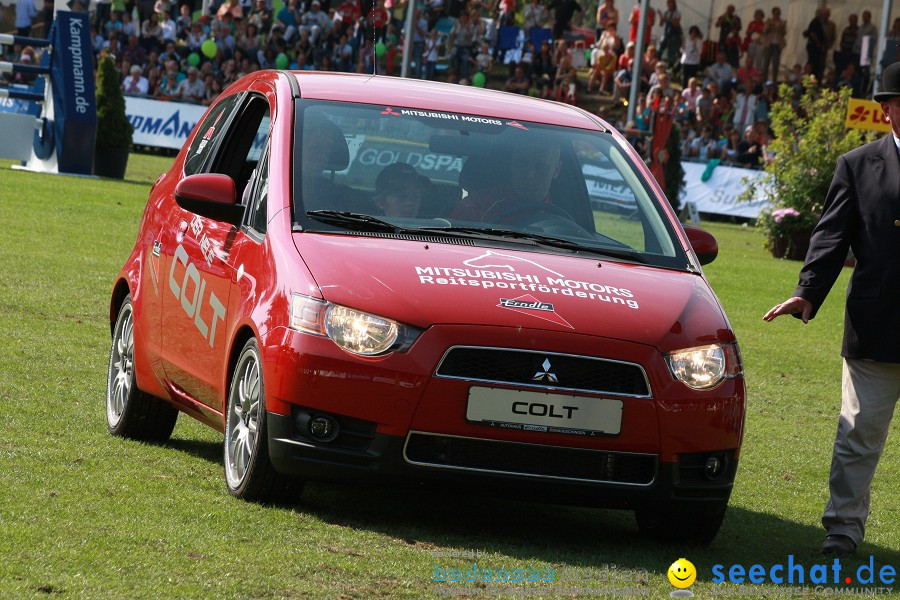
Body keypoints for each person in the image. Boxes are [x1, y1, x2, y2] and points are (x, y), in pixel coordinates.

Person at [763, 61, 900, 557]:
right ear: (887, 111)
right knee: (859, 433)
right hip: (876, 324)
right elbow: (829, 237)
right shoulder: (858, 164)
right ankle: (843, 529)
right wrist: (808, 291)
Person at [762, 6, 786, 83]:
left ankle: (774, 81)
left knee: (775, 63)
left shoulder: (782, 22)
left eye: (779, 14)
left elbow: (784, 33)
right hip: (769, 44)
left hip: (777, 44)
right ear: (773, 14)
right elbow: (764, 31)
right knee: (766, 63)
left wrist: (781, 28)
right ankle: (764, 80)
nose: (777, 15)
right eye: (776, 13)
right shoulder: (768, 21)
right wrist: (769, 26)